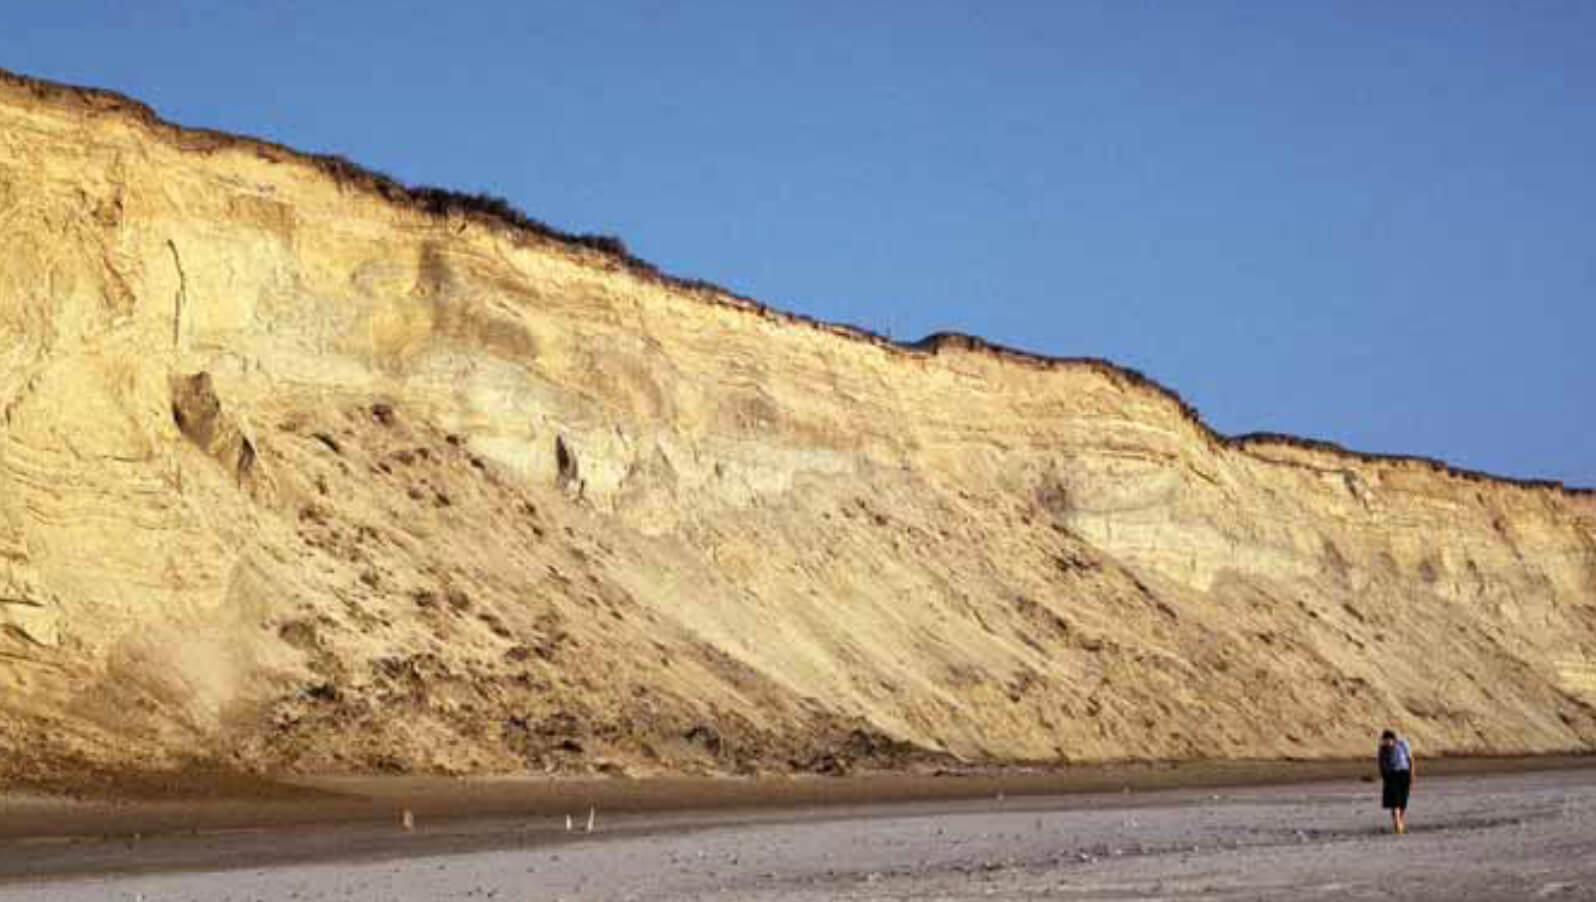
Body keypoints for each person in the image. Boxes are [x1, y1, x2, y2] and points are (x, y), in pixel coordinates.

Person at [1377, 729, 1414, 834]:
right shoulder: (1382, 749)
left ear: (1394, 740)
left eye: (1389, 741)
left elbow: (1411, 759)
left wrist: (1412, 775)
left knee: (1402, 801)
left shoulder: (1402, 744)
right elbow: (1379, 762)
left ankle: (1399, 821)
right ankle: (1397, 823)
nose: (1387, 743)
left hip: (1403, 773)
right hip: (1390, 775)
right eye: (1385, 740)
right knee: (1394, 802)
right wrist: (1383, 775)